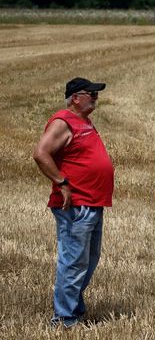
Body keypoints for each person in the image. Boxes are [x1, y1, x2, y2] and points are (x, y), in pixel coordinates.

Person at [33, 77, 114, 329]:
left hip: (92, 202)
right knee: (74, 261)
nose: (95, 98)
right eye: (91, 94)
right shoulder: (62, 121)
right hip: (76, 204)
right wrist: (62, 182)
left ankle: (74, 309)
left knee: (88, 260)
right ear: (76, 97)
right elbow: (40, 153)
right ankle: (64, 319)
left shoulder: (84, 121)